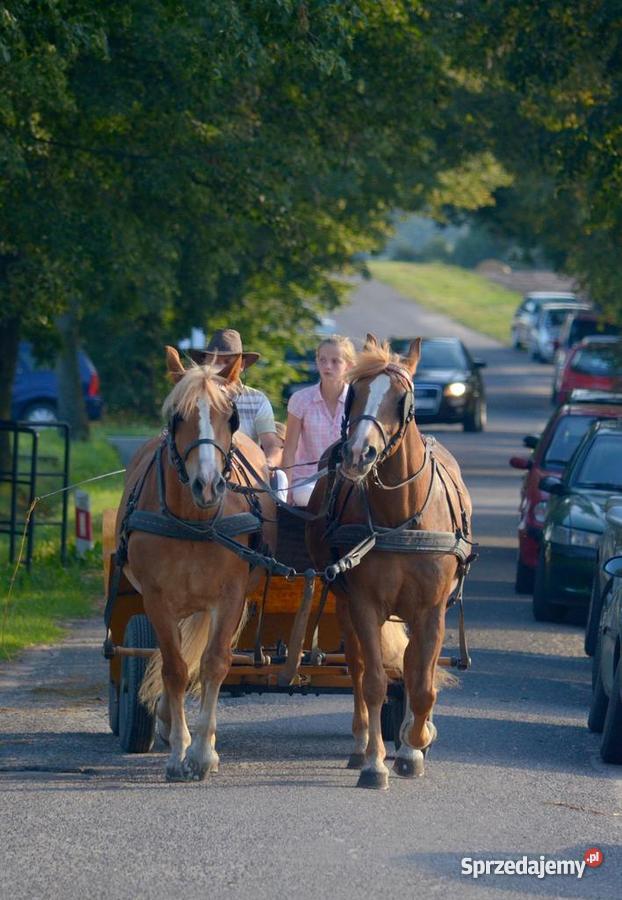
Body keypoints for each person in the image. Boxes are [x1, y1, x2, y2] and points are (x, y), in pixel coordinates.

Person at [189, 329, 283, 468]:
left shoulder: (257, 400)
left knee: (280, 479)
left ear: (241, 366)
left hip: (246, 475)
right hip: (201, 470)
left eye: (227, 362)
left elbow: (271, 444)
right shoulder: (192, 398)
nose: (220, 368)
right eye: (214, 361)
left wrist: (268, 464)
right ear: (205, 364)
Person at [282, 335, 356, 506]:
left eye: (335, 361)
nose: (327, 366)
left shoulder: (357, 402)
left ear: (349, 366)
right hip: (308, 480)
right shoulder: (300, 399)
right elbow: (289, 451)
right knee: (312, 496)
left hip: (347, 481)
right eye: (322, 360)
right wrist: (286, 493)